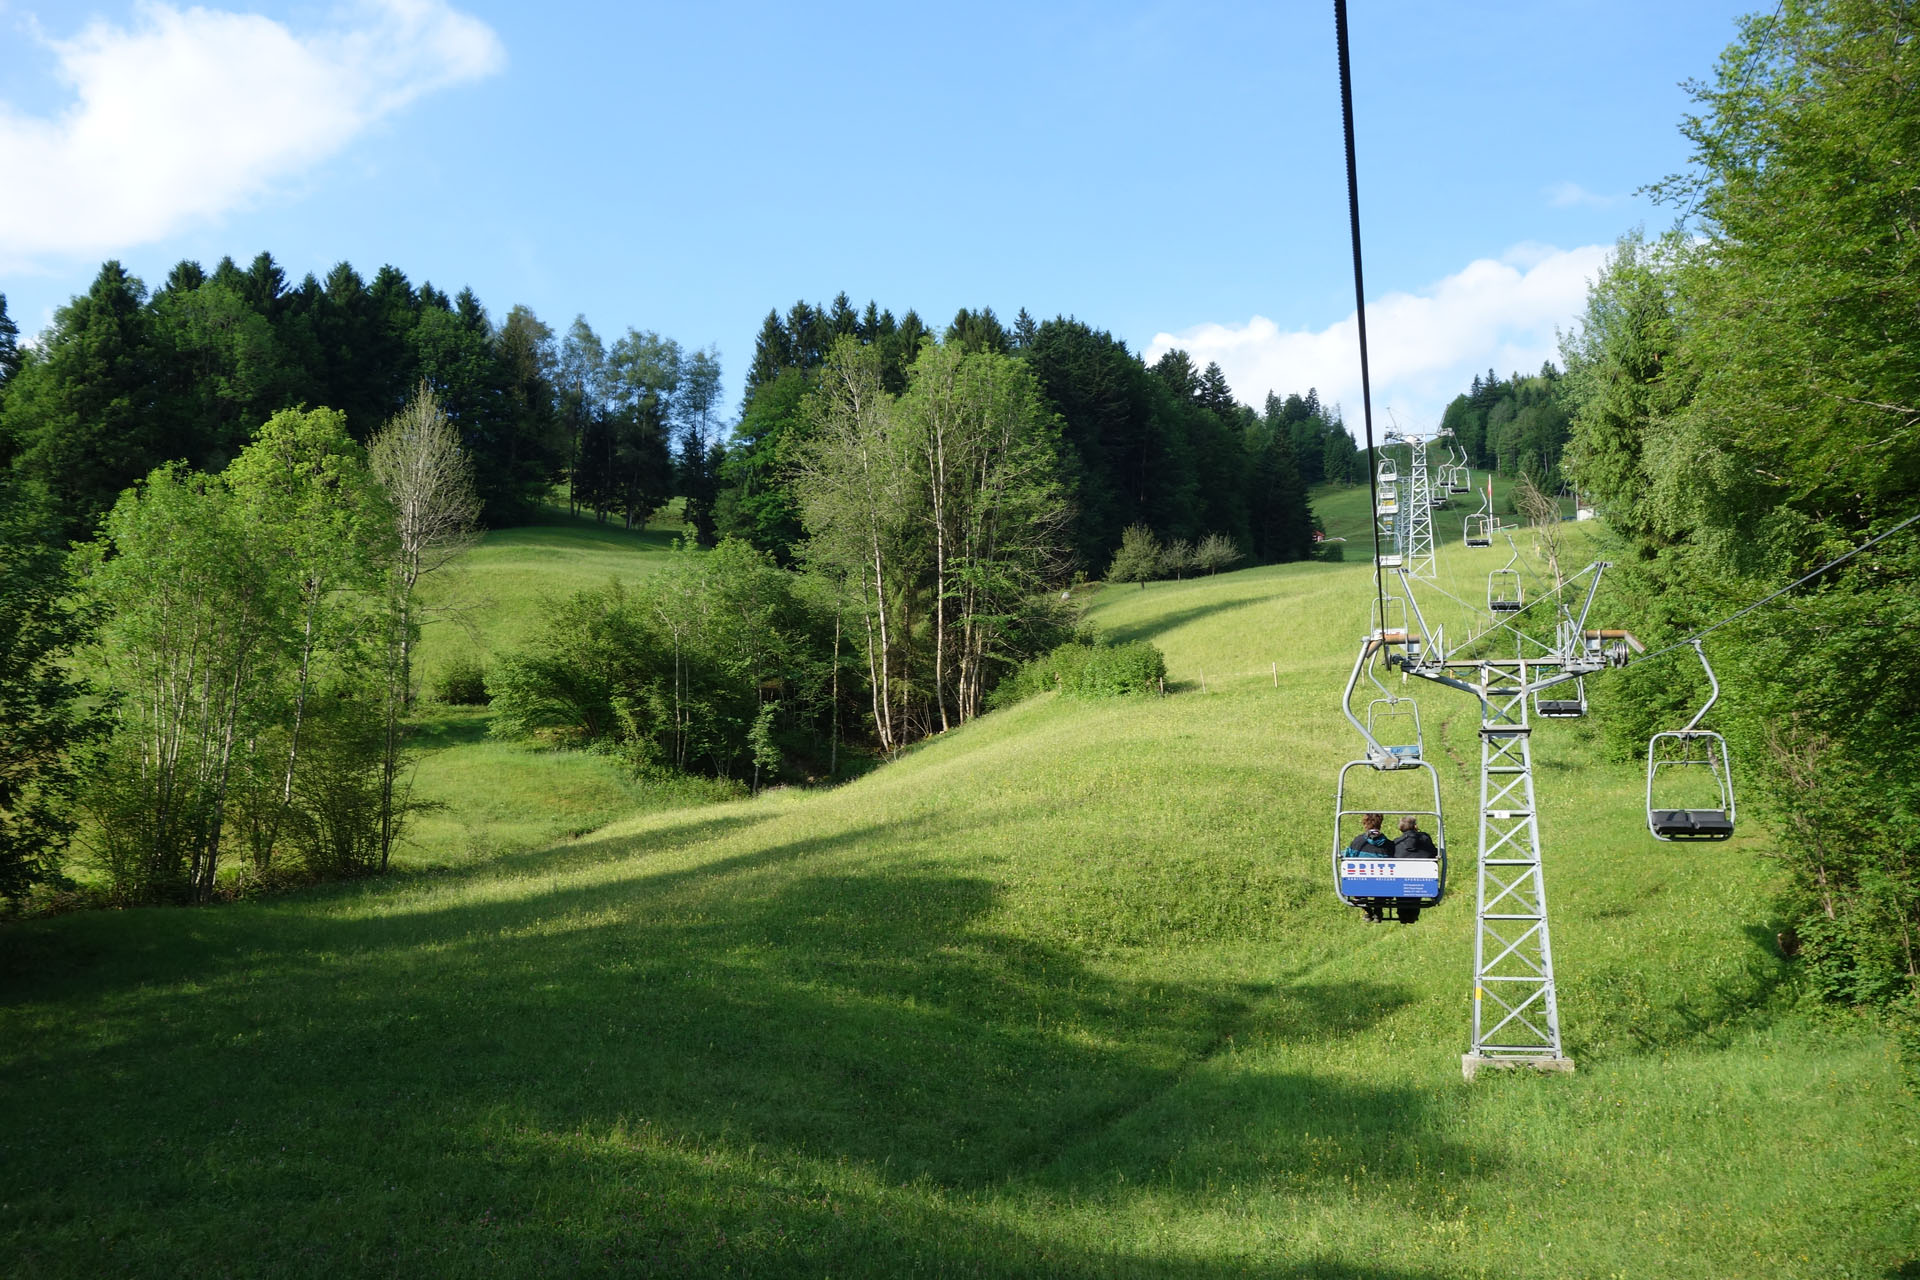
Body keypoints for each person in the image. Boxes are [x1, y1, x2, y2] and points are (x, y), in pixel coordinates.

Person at [1346, 813, 1391, 922]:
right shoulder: (1388, 845)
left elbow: (1349, 856)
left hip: (1360, 884)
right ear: (1380, 824)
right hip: (1382, 885)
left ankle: (1368, 911)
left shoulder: (1358, 842)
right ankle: (1378, 908)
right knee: (1383, 882)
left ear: (1365, 824)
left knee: (1357, 885)